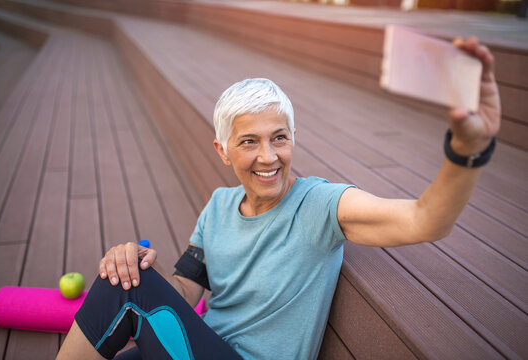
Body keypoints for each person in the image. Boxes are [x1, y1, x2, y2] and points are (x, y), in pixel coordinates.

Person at [56, 36, 500, 360]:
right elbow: (186, 289)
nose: (268, 157)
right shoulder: (218, 208)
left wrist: (466, 151)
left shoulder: (320, 205)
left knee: (122, 293)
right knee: (127, 289)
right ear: (223, 150)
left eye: (279, 138)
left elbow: (425, 220)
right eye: (249, 141)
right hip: (209, 347)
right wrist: (129, 258)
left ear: (293, 139)